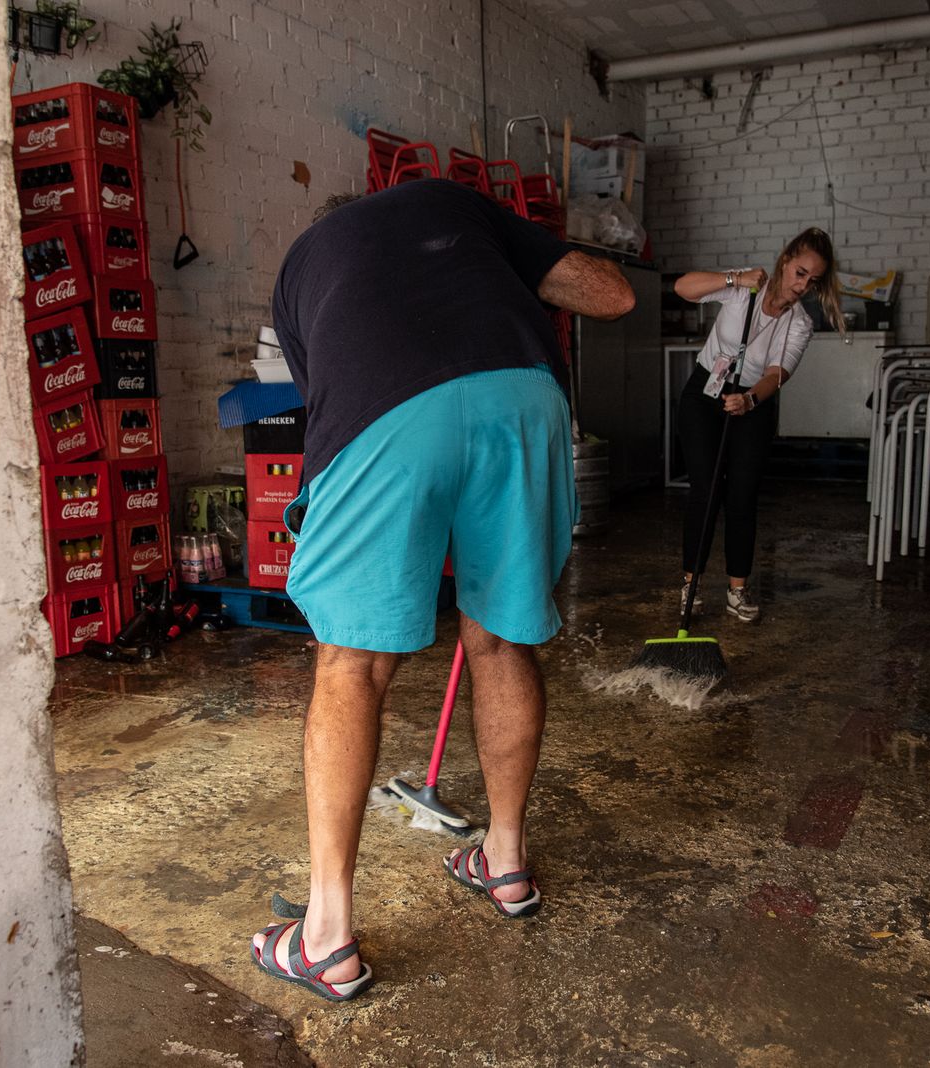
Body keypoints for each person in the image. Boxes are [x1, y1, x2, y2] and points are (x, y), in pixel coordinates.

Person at [251, 178, 633, 1001]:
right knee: (499, 638)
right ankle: (503, 861)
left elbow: (327, 397)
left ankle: (324, 936)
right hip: (525, 399)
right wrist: (501, 267)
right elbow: (613, 294)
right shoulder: (457, 207)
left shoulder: (303, 264)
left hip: (387, 410)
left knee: (352, 664)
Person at [673, 227, 844, 623]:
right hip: (704, 393)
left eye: (813, 280)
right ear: (785, 261)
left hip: (752, 402)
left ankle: (737, 589)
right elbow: (684, 287)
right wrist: (733, 279)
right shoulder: (745, 287)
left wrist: (749, 399)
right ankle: (690, 584)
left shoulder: (799, 323)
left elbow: (776, 373)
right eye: (800, 273)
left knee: (742, 494)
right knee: (706, 487)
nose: (803, 285)